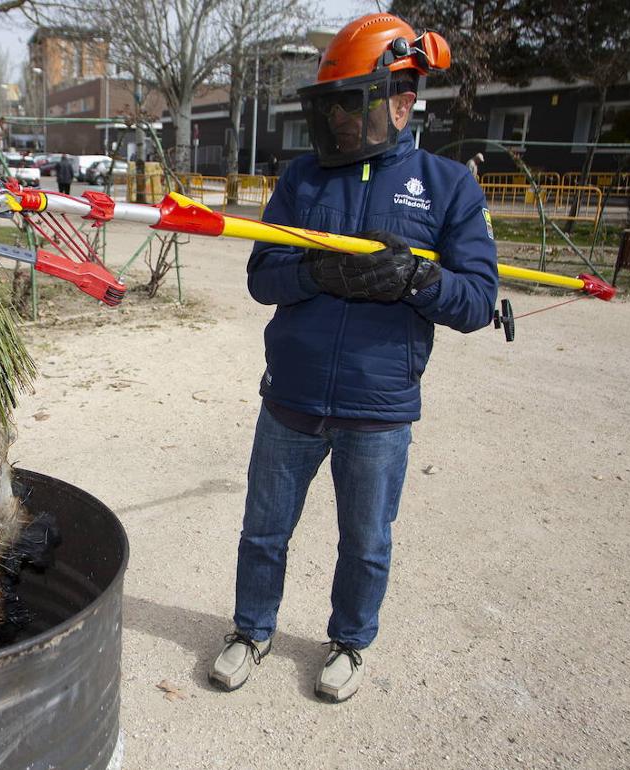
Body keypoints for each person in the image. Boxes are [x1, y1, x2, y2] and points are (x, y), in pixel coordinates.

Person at [209, 13, 499, 703]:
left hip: (379, 407)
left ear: (401, 99)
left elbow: (479, 299)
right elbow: (260, 277)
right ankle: (251, 630)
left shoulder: (447, 186)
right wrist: (314, 274)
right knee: (264, 529)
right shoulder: (303, 179)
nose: (339, 119)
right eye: (330, 105)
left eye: (353, 104)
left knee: (365, 542)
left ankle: (350, 642)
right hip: (291, 397)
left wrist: (418, 281)